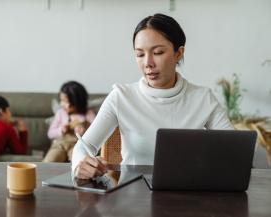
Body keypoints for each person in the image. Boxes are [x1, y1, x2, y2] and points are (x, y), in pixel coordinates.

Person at [72, 13, 234, 179]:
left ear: (178, 53)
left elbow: (234, 148)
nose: (148, 63)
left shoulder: (202, 98)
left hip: (188, 198)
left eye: (157, 52)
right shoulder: (121, 97)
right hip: (132, 199)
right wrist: (80, 163)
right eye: (140, 54)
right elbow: (84, 146)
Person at [43, 81, 96, 162]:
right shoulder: (60, 113)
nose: (62, 104)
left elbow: (96, 133)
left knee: (79, 162)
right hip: (61, 144)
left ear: (77, 102)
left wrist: (84, 132)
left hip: (79, 145)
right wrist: (61, 129)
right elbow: (50, 134)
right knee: (50, 160)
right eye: (61, 100)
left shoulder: (89, 114)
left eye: (66, 101)